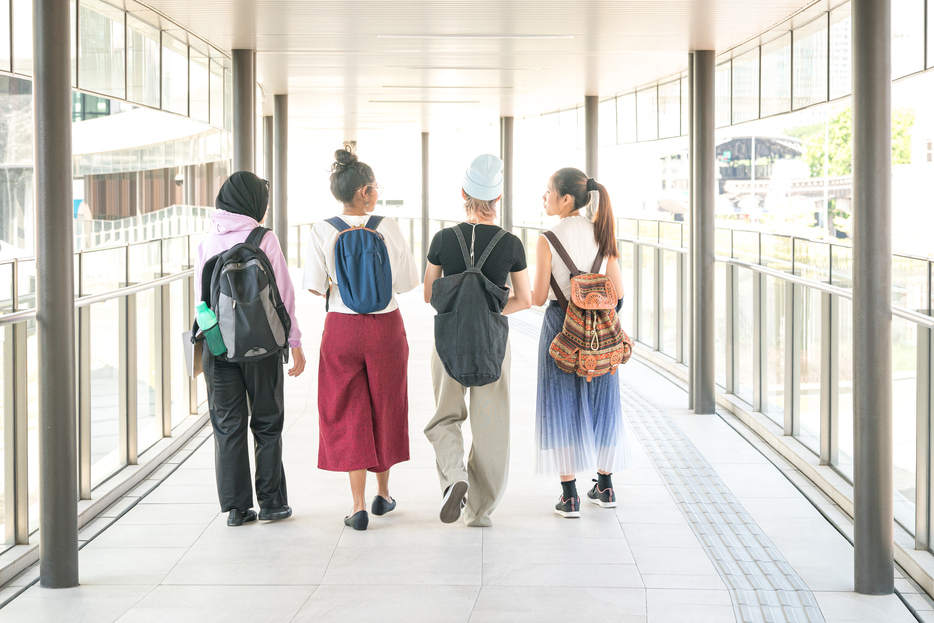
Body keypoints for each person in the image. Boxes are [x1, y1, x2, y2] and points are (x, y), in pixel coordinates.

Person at [303, 146, 419, 531]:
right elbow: (404, 284)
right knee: (386, 403)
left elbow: (317, 288)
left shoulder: (322, 230)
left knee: (348, 409)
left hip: (341, 329)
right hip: (385, 327)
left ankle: (356, 506)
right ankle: (383, 495)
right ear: (366, 192)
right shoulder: (388, 226)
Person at [423, 154, 532, 527]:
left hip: (447, 342)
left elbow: (428, 295)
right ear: (498, 200)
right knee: (491, 426)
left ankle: (455, 476)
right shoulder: (510, 244)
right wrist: (490, 311)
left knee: (444, 417)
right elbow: (526, 298)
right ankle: (479, 511)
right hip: (491, 345)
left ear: (464, 193)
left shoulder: (442, 239)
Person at [195, 171, 306, 527]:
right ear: (253, 202)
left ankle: (237, 509)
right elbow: (284, 294)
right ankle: (273, 503)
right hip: (262, 345)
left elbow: (200, 299)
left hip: (218, 346)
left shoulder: (208, 239)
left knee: (227, 426)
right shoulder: (265, 238)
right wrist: (295, 343)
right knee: (267, 424)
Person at [530, 167, 636, 518]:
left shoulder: (547, 239)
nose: (543, 197)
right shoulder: (602, 234)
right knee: (603, 402)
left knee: (560, 404)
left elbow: (539, 295)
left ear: (566, 198)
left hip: (562, 329)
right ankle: (605, 487)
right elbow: (618, 294)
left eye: (547, 191)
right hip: (600, 332)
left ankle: (570, 495)